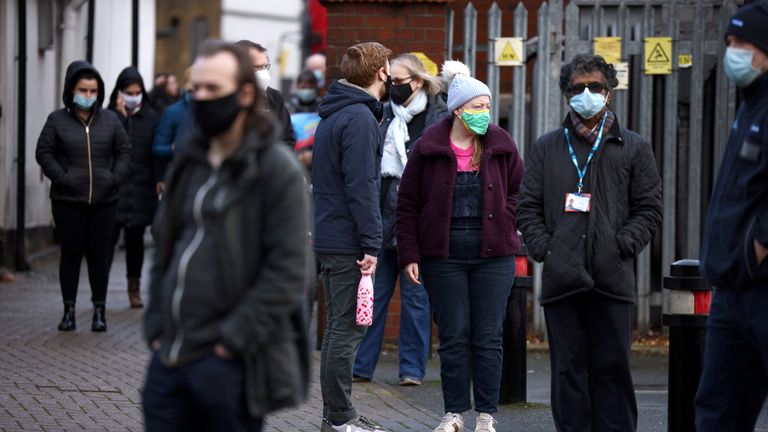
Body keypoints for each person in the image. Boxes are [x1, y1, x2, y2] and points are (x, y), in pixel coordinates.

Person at [142, 40, 310, 431]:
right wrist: (155, 326)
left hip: (228, 364)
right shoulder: (190, 159)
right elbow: (164, 243)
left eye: (213, 90)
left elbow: (288, 272)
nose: (202, 98)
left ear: (246, 93)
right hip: (169, 356)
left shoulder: (276, 170)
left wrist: (230, 343)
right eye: (196, 88)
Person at [517, 54, 662, 432]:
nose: (587, 94)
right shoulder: (547, 147)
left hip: (612, 278)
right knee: (568, 372)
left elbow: (649, 209)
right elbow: (527, 206)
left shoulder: (633, 147)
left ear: (609, 93)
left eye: (594, 87)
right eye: (578, 88)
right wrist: (546, 249)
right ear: (567, 95)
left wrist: (622, 244)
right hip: (562, 281)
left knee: (612, 369)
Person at [396, 60, 523, 432]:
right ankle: (454, 414)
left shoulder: (501, 145)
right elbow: (407, 204)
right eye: (477, 107)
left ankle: (486, 415)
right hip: (444, 256)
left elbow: (520, 190)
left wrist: (505, 216)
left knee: (487, 336)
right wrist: (410, 254)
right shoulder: (428, 147)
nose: (485, 113)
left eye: (487, 106)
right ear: (457, 110)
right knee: (453, 336)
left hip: (493, 255)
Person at [352, 53, 447, 387]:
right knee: (371, 296)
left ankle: (411, 370)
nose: (392, 87)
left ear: (417, 81)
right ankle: (361, 366)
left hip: (416, 225)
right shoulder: (380, 116)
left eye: (399, 81)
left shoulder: (437, 119)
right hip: (380, 222)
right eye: (390, 80)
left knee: (416, 301)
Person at [696, 2, 768, 430]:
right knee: (717, 410)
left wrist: (758, 245)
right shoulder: (749, 104)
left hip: (760, 284)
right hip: (730, 290)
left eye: (743, 42)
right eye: (730, 42)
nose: (733, 52)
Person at [313, 41, 391, 432]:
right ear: (381, 73)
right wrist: (372, 243)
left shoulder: (337, 113)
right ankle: (340, 419)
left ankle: (337, 416)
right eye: (388, 67)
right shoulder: (359, 118)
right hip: (348, 241)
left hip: (332, 234)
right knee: (347, 329)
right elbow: (362, 186)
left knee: (338, 328)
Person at [35, 60, 131, 332]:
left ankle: (99, 312)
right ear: (71, 90)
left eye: (92, 91)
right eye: (82, 90)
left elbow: (125, 151)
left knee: (99, 256)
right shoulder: (57, 120)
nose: (88, 96)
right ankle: (69, 312)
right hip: (68, 202)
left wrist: (113, 178)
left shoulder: (110, 120)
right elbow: (44, 152)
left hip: (104, 201)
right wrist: (63, 178)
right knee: (71, 255)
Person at [105, 66, 160, 308]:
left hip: (141, 189)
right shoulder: (108, 116)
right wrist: (120, 117)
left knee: (136, 243)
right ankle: (100, 290)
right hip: (114, 189)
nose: (133, 96)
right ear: (119, 92)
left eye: (137, 92)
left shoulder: (151, 117)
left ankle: (134, 289)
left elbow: (154, 154)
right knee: (106, 241)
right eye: (128, 92)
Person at [235, 40, 296, 148]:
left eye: (265, 66)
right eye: (258, 67)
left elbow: (287, 138)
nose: (264, 72)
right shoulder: (227, 97)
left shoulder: (274, 97)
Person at [152, 68, 195, 195]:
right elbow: (157, 148)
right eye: (193, 90)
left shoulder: (212, 112)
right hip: (178, 180)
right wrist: (172, 148)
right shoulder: (172, 112)